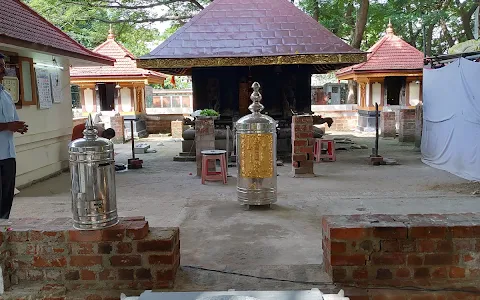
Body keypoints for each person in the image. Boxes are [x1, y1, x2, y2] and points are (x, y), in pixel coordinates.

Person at [0, 53, 29, 219]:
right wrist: (8, 126)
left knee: (7, 197)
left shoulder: (6, 94)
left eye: (4, 66)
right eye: (0, 66)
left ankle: (3, 231)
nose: (3, 70)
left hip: (9, 154)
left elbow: (13, 120)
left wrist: (18, 127)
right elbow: (7, 124)